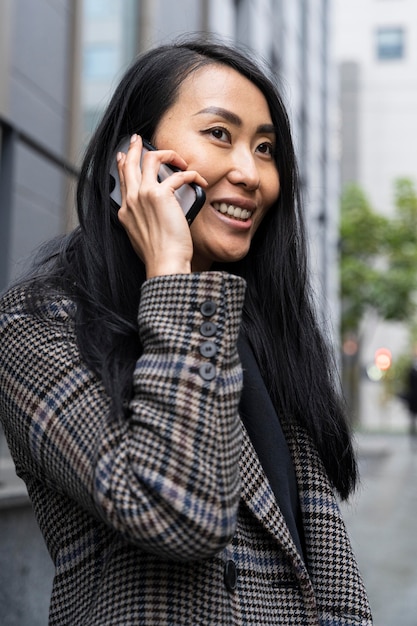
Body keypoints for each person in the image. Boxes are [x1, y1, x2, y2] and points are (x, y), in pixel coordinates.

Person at [0, 37, 372, 625]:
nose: (251, 174)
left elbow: (326, 563)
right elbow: (176, 515)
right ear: (136, 156)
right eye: (219, 134)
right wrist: (170, 273)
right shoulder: (39, 325)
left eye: (267, 148)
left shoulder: (265, 331)